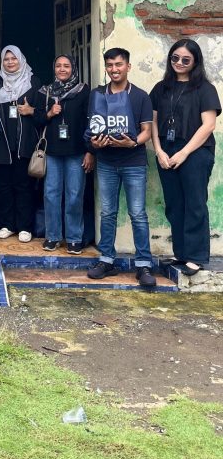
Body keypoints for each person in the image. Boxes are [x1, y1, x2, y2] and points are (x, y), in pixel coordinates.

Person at [86, 47, 156, 288]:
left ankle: (143, 264)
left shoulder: (141, 96)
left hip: (134, 162)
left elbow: (147, 130)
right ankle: (106, 260)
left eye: (118, 64)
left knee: (137, 214)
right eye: (109, 65)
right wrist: (93, 143)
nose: (114, 69)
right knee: (107, 212)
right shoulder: (97, 95)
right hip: (106, 161)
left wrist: (133, 142)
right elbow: (93, 127)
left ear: (128, 66)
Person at [150, 39, 220, 276]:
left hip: (196, 151)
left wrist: (184, 152)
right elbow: (153, 122)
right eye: (175, 58)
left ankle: (196, 256)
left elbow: (208, 125)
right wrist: (159, 150)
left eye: (185, 59)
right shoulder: (162, 88)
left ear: (195, 62)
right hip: (166, 150)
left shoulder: (204, 89)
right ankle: (181, 253)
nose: (179, 63)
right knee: (174, 204)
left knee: (195, 203)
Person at [34, 55, 94, 254]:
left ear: (73, 68)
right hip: (52, 152)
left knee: (75, 195)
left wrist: (89, 151)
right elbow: (37, 120)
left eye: (66, 66)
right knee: (51, 195)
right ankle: (52, 237)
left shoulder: (84, 91)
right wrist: (50, 113)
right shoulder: (45, 91)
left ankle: (74, 238)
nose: (62, 69)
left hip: (76, 152)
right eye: (58, 65)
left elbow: (91, 122)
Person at [0, 45, 42, 243]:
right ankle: (7, 225)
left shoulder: (33, 82)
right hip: (1, 143)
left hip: (25, 143)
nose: (10, 62)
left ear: (21, 60)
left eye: (14, 58)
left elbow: (44, 114)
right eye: (6, 59)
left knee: (23, 186)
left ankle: (24, 227)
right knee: (2, 186)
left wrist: (32, 111)